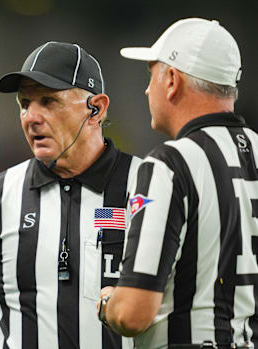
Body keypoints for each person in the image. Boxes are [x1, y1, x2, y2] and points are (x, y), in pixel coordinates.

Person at [0, 41, 140, 349]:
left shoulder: (151, 187)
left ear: (96, 109)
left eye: (48, 101)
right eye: (24, 104)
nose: (31, 117)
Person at [97, 18, 257, 348]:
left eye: (151, 75)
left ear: (171, 80)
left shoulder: (171, 164)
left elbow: (132, 313)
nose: (146, 89)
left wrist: (107, 303)